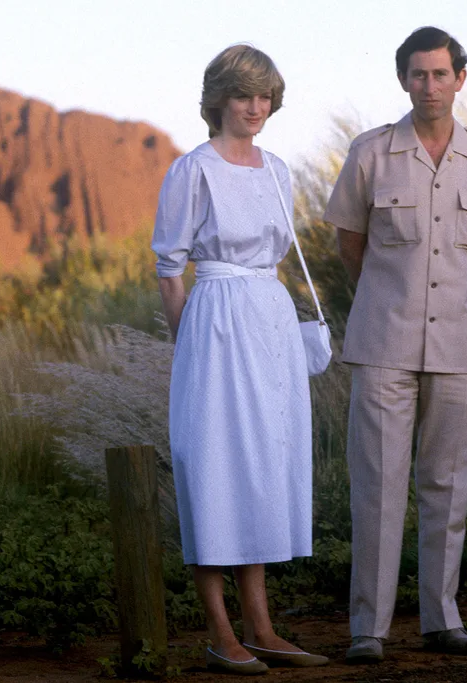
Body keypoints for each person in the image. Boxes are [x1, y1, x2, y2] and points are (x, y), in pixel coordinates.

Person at [323, 26, 467, 662]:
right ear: (403, 80)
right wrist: (393, 295)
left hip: (461, 347)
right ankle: (369, 630)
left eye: (441, 74)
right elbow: (350, 243)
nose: (430, 86)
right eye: (418, 74)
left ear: (460, 79)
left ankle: (443, 620)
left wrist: (444, 299)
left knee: (450, 483)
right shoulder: (371, 154)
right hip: (383, 342)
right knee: (378, 486)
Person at [151, 44, 329, 676]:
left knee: (259, 467)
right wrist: (190, 343)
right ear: (218, 99)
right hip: (216, 318)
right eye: (244, 95)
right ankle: (220, 631)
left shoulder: (277, 169)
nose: (256, 107)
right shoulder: (192, 170)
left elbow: (278, 256)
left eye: (265, 96)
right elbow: (171, 269)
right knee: (213, 466)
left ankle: (262, 628)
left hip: (270, 318)